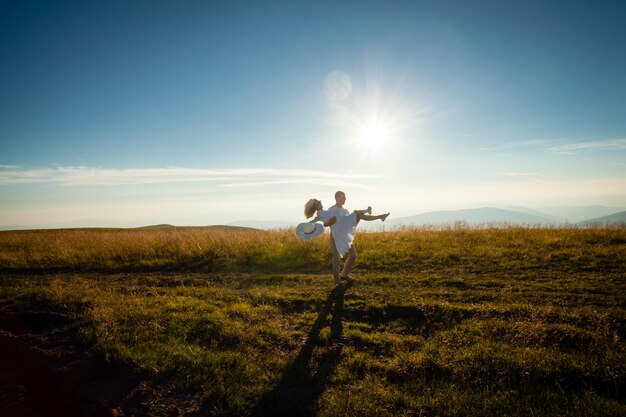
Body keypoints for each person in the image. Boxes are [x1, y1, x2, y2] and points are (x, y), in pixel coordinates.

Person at [304, 191, 389, 287]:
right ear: (337, 198)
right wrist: (325, 224)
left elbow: (349, 219)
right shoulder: (330, 210)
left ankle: (344, 275)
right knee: (336, 259)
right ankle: (337, 282)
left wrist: (365, 210)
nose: (345, 199)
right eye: (343, 197)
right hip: (336, 236)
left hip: (345, 235)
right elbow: (323, 223)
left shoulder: (345, 210)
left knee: (353, 255)